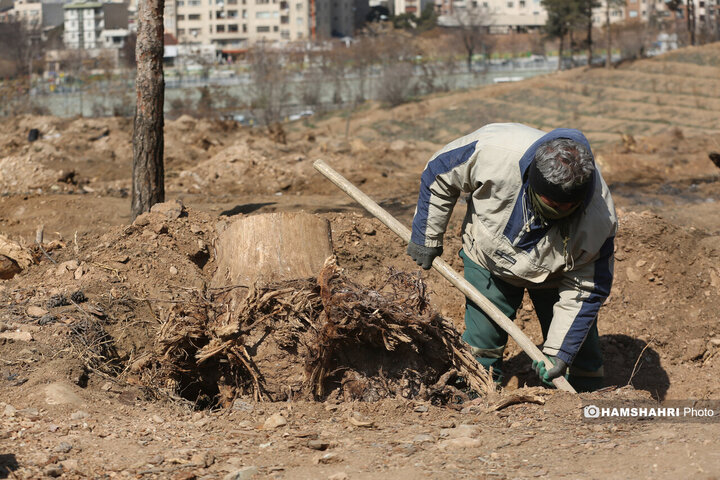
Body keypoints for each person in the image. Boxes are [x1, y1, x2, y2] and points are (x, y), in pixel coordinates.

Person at [406, 123, 616, 392]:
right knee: (481, 342)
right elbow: (440, 173)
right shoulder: (494, 150)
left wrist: (559, 353)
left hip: (556, 273)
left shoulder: (599, 218)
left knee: (576, 354)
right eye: (551, 205)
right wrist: (427, 236)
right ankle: (474, 396)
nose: (559, 210)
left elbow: (586, 288)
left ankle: (589, 400)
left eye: (566, 207)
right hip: (487, 258)